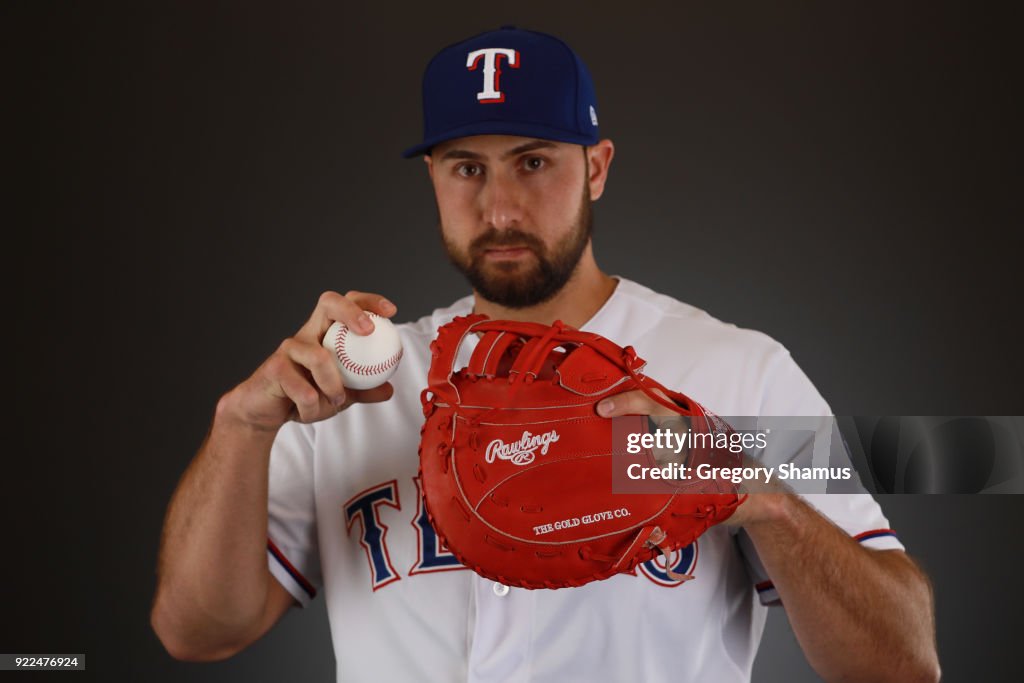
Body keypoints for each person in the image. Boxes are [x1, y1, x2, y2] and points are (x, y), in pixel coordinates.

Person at [150, 26, 940, 682]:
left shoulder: (741, 370)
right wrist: (242, 426)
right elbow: (194, 629)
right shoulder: (356, 387)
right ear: (432, 176)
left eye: (533, 162)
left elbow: (905, 662)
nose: (499, 207)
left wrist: (760, 493)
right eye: (467, 168)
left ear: (595, 167)